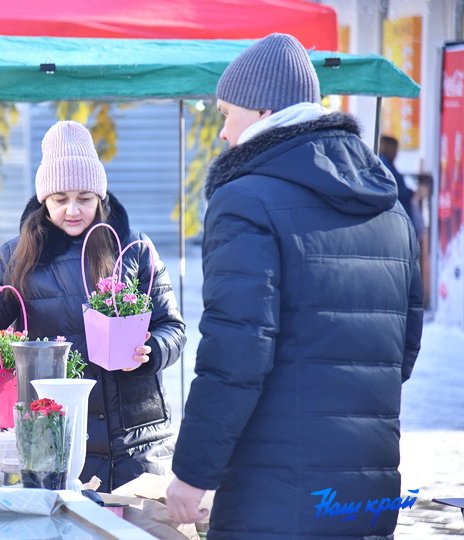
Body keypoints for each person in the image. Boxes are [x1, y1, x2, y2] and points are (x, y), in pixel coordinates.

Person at [165, 34, 423, 539]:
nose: (221, 132)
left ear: (263, 112)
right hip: (367, 490)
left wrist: (193, 473)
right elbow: (403, 353)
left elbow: (235, 351)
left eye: (225, 113)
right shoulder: (390, 208)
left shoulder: (245, 200)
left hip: (275, 493)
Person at [0, 120, 187, 492]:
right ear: (44, 201)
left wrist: (152, 350)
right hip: (56, 430)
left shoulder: (134, 248)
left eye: (85, 198)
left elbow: (172, 328)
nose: (73, 210)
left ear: (101, 198)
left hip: (136, 436)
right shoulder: (16, 256)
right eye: (61, 199)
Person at [379, 134, 419, 227]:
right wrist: (411, 193)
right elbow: (396, 190)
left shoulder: (382, 164)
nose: (397, 153)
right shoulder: (386, 167)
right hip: (398, 215)